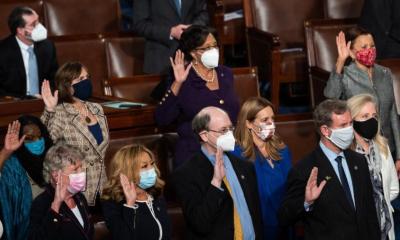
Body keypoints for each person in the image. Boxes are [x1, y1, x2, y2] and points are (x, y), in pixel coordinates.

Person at [278, 99, 380, 240]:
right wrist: (306, 202)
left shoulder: (359, 161)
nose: (349, 129)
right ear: (325, 130)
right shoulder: (304, 170)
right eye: (343, 125)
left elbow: (370, 212)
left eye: (350, 123)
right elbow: (285, 217)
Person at [155, 25, 240, 167]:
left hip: (229, 152)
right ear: (193, 53)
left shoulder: (226, 74)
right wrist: (178, 83)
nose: (213, 51)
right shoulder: (184, 79)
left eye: (215, 46)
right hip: (194, 156)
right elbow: (162, 118)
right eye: (207, 48)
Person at [173, 106, 263, 239]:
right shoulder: (186, 174)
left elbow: (256, 215)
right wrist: (215, 183)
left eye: (230, 128)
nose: (229, 134)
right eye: (223, 130)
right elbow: (200, 224)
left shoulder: (245, 167)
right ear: (204, 135)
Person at [323, 26, 400, 171]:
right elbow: (330, 97)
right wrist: (340, 61)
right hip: (361, 151)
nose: (369, 50)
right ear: (352, 52)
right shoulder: (345, 75)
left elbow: (393, 114)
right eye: (364, 47)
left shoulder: (385, 73)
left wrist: (399, 156)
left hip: (389, 149)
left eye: (372, 46)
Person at [41, 61, 110, 208]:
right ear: (67, 86)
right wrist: (49, 110)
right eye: (80, 79)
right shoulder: (61, 112)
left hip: (102, 187)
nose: (86, 82)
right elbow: (46, 140)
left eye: (87, 77)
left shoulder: (97, 109)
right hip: (77, 189)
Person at [232, 97, 292, 240]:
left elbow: (291, 186)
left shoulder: (282, 149)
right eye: (265, 120)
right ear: (249, 123)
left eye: (272, 118)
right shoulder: (237, 155)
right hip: (258, 226)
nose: (271, 123)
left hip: (285, 222)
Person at [347, 94, 399, 240]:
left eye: (374, 116)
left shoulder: (382, 146)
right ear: (351, 120)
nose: (371, 120)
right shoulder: (345, 154)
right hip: (357, 228)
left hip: (384, 226)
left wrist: (381, 203)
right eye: (364, 116)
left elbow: (393, 188)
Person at [101, 144, 171, 239]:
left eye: (152, 164)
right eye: (144, 166)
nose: (151, 169)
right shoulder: (113, 203)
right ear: (128, 171)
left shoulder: (156, 195)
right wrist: (130, 204)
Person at [0, 116, 52, 240]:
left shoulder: (50, 159)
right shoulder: (10, 167)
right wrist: (6, 151)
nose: (37, 142)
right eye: (29, 139)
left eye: (40, 137)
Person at [28, 143, 94, 240]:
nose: (82, 173)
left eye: (82, 168)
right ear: (56, 175)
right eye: (75, 170)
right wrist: (56, 205)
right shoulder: (41, 204)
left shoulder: (80, 197)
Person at [133, 0, 208, 74]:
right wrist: (171, 32)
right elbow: (140, 24)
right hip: (161, 61)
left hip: (193, 58)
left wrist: (193, 28)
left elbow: (203, 12)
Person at [0, 6, 58, 98]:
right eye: (33, 24)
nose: (39, 27)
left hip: (44, 102)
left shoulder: (48, 47)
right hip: (14, 104)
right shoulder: (2, 51)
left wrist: (47, 95)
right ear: (20, 30)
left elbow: (54, 79)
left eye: (39, 21)